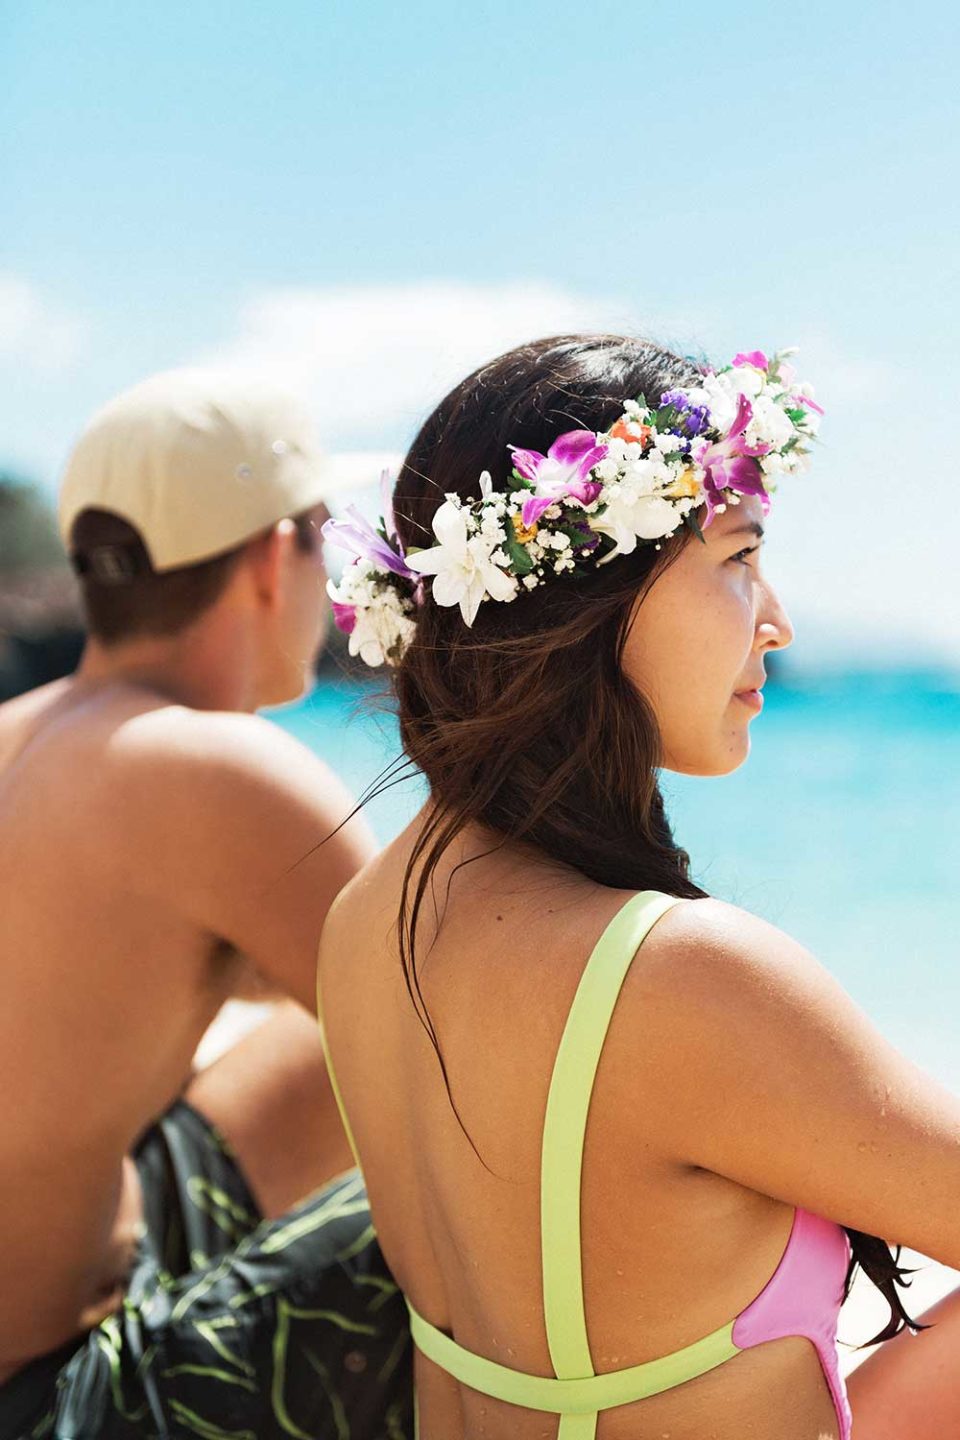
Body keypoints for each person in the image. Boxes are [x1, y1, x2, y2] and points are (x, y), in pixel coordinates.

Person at [316, 334, 960, 1439]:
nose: (777, 620)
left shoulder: (369, 916)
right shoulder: (678, 978)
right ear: (590, 597)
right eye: (737, 557)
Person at [0, 370, 412, 1439]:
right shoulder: (216, 769)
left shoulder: (27, 730)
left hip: (104, 1241)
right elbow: (465, 1041)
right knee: (540, 1173)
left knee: (340, 1029)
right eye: (325, 539)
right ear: (275, 558)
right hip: (53, 1399)